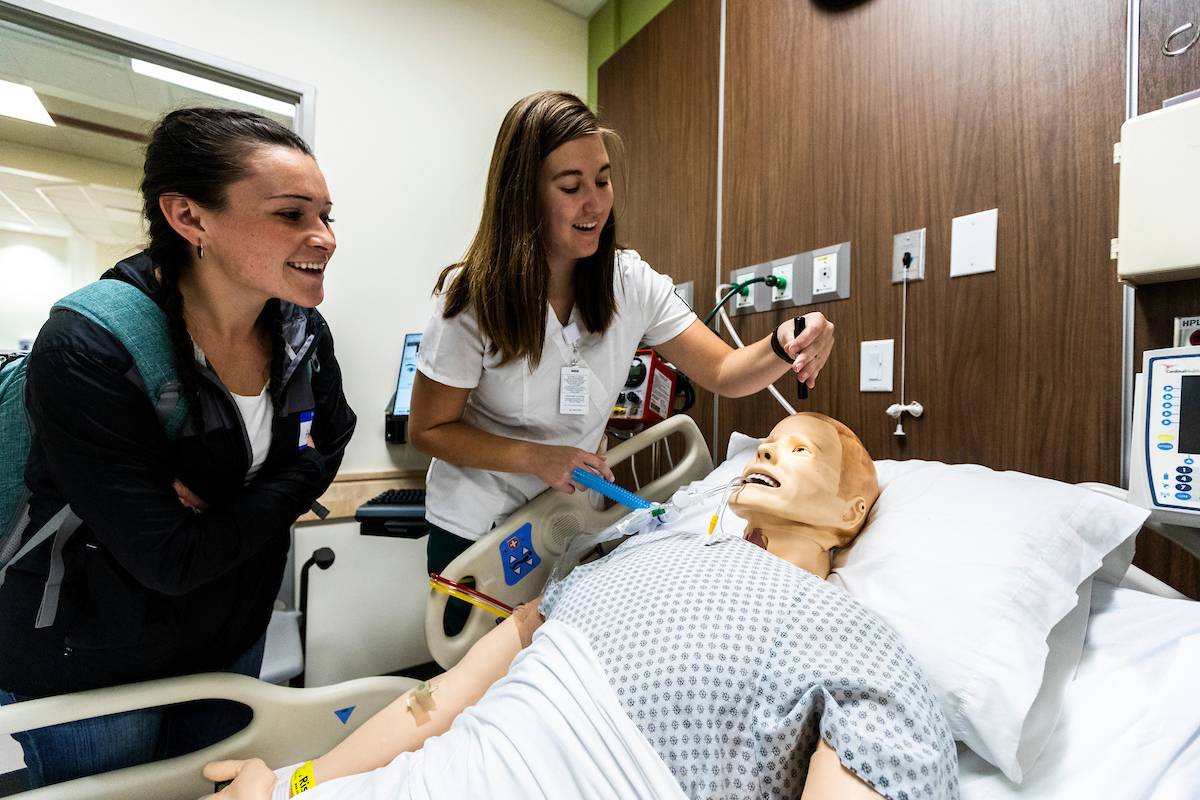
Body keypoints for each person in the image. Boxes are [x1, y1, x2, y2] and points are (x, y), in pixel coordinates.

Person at [204, 413, 959, 800]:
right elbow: (436, 706)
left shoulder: (854, 637)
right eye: (768, 442)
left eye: (801, 452)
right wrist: (296, 784)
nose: (766, 451)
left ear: (855, 508)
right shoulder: (639, 554)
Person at [0, 107, 355, 788]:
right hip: (90, 659)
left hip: (229, 638)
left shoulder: (300, 332)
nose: (325, 238)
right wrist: (290, 480)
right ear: (189, 218)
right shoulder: (89, 344)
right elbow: (168, 558)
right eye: (291, 214)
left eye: (327, 215)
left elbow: (332, 439)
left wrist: (231, 501)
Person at [409, 90, 836, 628]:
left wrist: (785, 340)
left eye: (603, 180)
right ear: (524, 196)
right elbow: (427, 430)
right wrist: (539, 458)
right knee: (474, 688)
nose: (595, 203)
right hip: (476, 530)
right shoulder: (474, 300)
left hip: (564, 521)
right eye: (571, 187)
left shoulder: (629, 283)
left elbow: (725, 372)